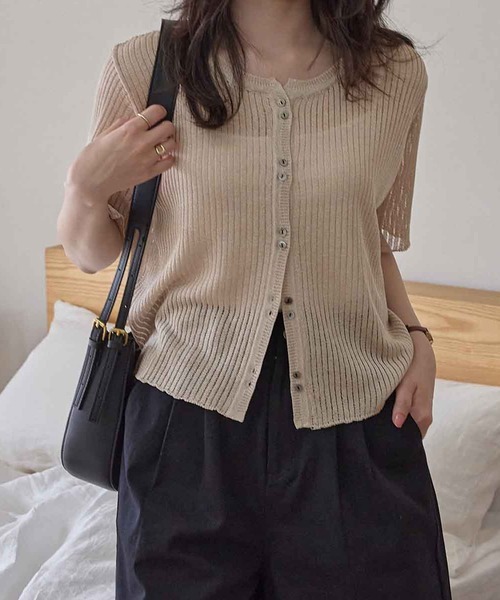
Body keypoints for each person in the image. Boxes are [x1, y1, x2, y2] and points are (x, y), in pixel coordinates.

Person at [57, 1, 453, 598]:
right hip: (184, 427)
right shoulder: (147, 66)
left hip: (356, 423)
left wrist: (418, 336)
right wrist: (84, 189)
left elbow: (365, 239)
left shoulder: (392, 72)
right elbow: (94, 254)